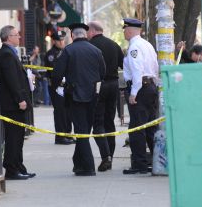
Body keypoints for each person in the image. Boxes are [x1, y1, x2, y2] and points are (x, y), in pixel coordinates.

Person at [52, 23, 106, 176]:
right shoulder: (96, 51)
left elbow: (57, 73)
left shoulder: (68, 51)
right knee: (84, 130)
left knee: (81, 131)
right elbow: (103, 72)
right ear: (85, 35)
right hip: (92, 95)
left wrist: (56, 87)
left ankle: (88, 167)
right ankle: (78, 163)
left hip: (75, 96)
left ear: (72, 36)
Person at [0, 25, 35, 180]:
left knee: (19, 137)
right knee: (13, 138)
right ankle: (12, 169)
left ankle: (19, 166)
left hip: (15, 103)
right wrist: (20, 99)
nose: (19, 37)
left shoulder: (11, 53)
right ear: (8, 37)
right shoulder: (6, 54)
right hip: (12, 104)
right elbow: (11, 80)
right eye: (16, 35)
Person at [122, 18, 159, 175]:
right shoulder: (147, 45)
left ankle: (140, 164)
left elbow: (137, 71)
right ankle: (158, 161)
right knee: (151, 127)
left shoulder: (134, 47)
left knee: (137, 128)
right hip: (150, 87)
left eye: (125, 29)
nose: (124, 32)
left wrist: (133, 93)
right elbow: (155, 67)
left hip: (141, 89)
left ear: (130, 30)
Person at [87, 21, 124, 171]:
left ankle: (105, 156)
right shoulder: (114, 45)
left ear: (92, 31)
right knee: (110, 121)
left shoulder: (91, 46)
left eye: (87, 31)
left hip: (98, 86)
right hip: (113, 85)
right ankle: (110, 156)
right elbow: (123, 64)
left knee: (98, 123)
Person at [45, 30, 73, 145]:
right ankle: (60, 136)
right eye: (59, 40)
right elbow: (54, 72)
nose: (61, 42)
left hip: (65, 86)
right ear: (54, 41)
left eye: (62, 40)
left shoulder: (65, 52)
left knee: (67, 111)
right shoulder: (51, 54)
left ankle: (67, 133)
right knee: (60, 111)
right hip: (57, 87)